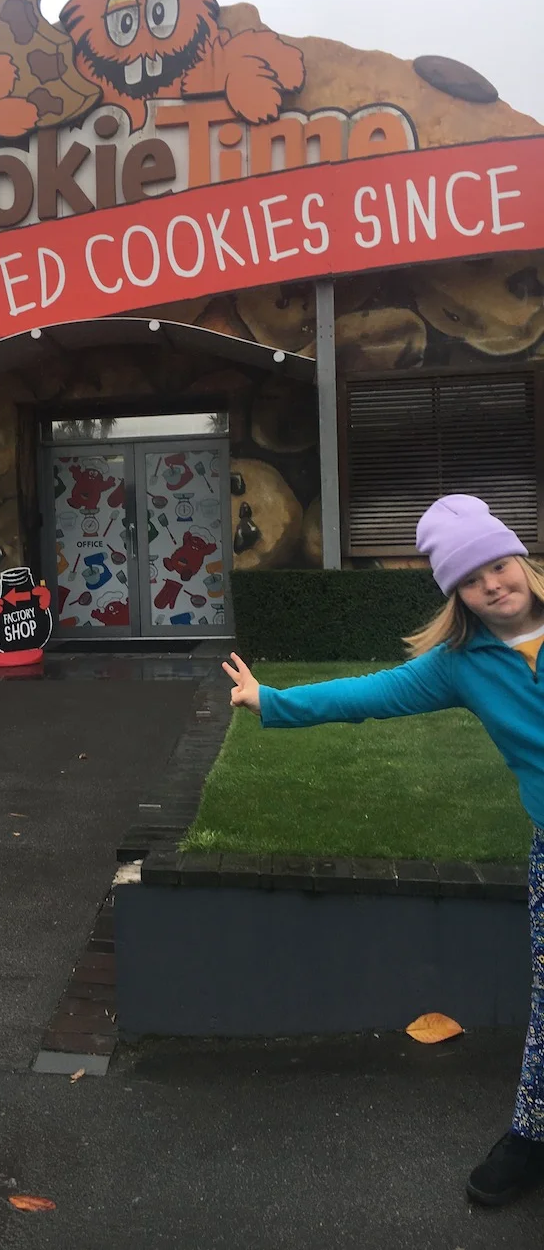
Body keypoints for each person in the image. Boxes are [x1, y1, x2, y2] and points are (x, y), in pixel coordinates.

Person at [224, 495, 544, 1208]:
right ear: (456, 595)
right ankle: (530, 1136)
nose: (492, 584)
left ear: (520, 559)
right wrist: (272, 701)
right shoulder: (461, 664)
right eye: (471, 579)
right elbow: (372, 693)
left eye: (498, 565)